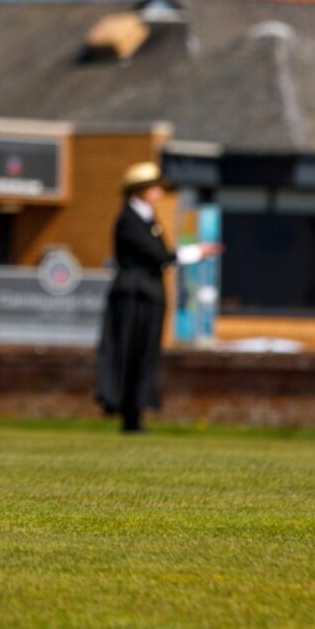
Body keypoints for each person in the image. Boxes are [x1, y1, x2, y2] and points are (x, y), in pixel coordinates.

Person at [95, 163, 207, 433]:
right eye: (154, 187)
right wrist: (194, 253)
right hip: (133, 295)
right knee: (129, 350)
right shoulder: (129, 219)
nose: (159, 192)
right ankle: (126, 412)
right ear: (141, 190)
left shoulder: (148, 218)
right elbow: (158, 255)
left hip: (150, 294)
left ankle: (135, 414)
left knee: (145, 354)